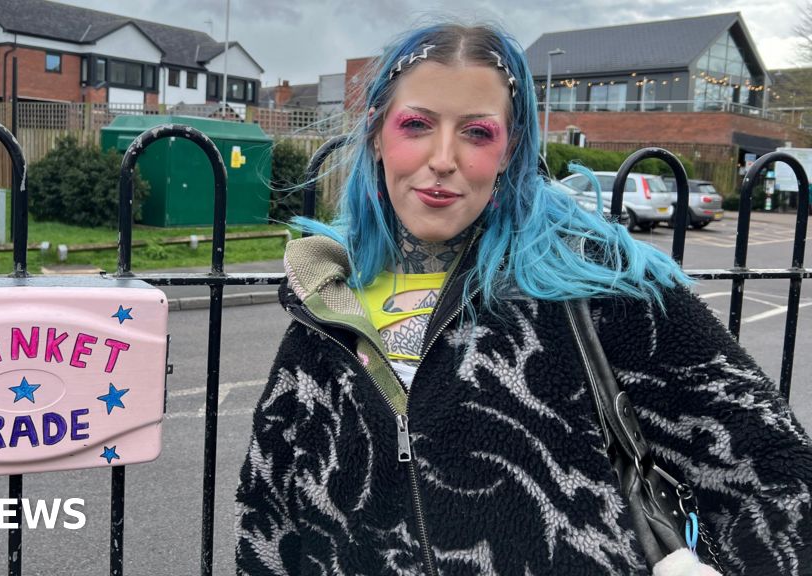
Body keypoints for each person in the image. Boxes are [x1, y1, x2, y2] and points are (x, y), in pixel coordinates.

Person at [235, 22, 812, 576]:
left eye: (477, 133)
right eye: (416, 124)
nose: (443, 158)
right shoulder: (326, 297)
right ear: (375, 133)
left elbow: (779, 473)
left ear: (509, 150)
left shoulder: (595, 284)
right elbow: (269, 520)